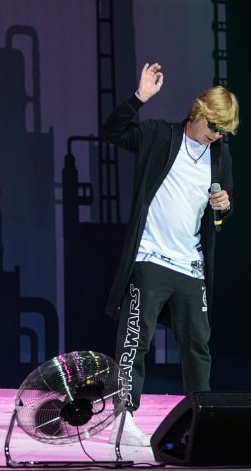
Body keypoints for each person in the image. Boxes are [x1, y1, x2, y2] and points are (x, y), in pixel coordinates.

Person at [102, 63, 239, 446]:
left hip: (191, 265)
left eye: (224, 131)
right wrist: (139, 97)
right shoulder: (159, 135)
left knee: (198, 345)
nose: (216, 135)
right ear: (198, 111)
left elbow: (223, 210)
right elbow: (112, 132)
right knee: (136, 337)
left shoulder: (219, 157)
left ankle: (201, 418)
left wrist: (224, 206)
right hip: (150, 257)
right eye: (214, 126)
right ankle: (123, 416)